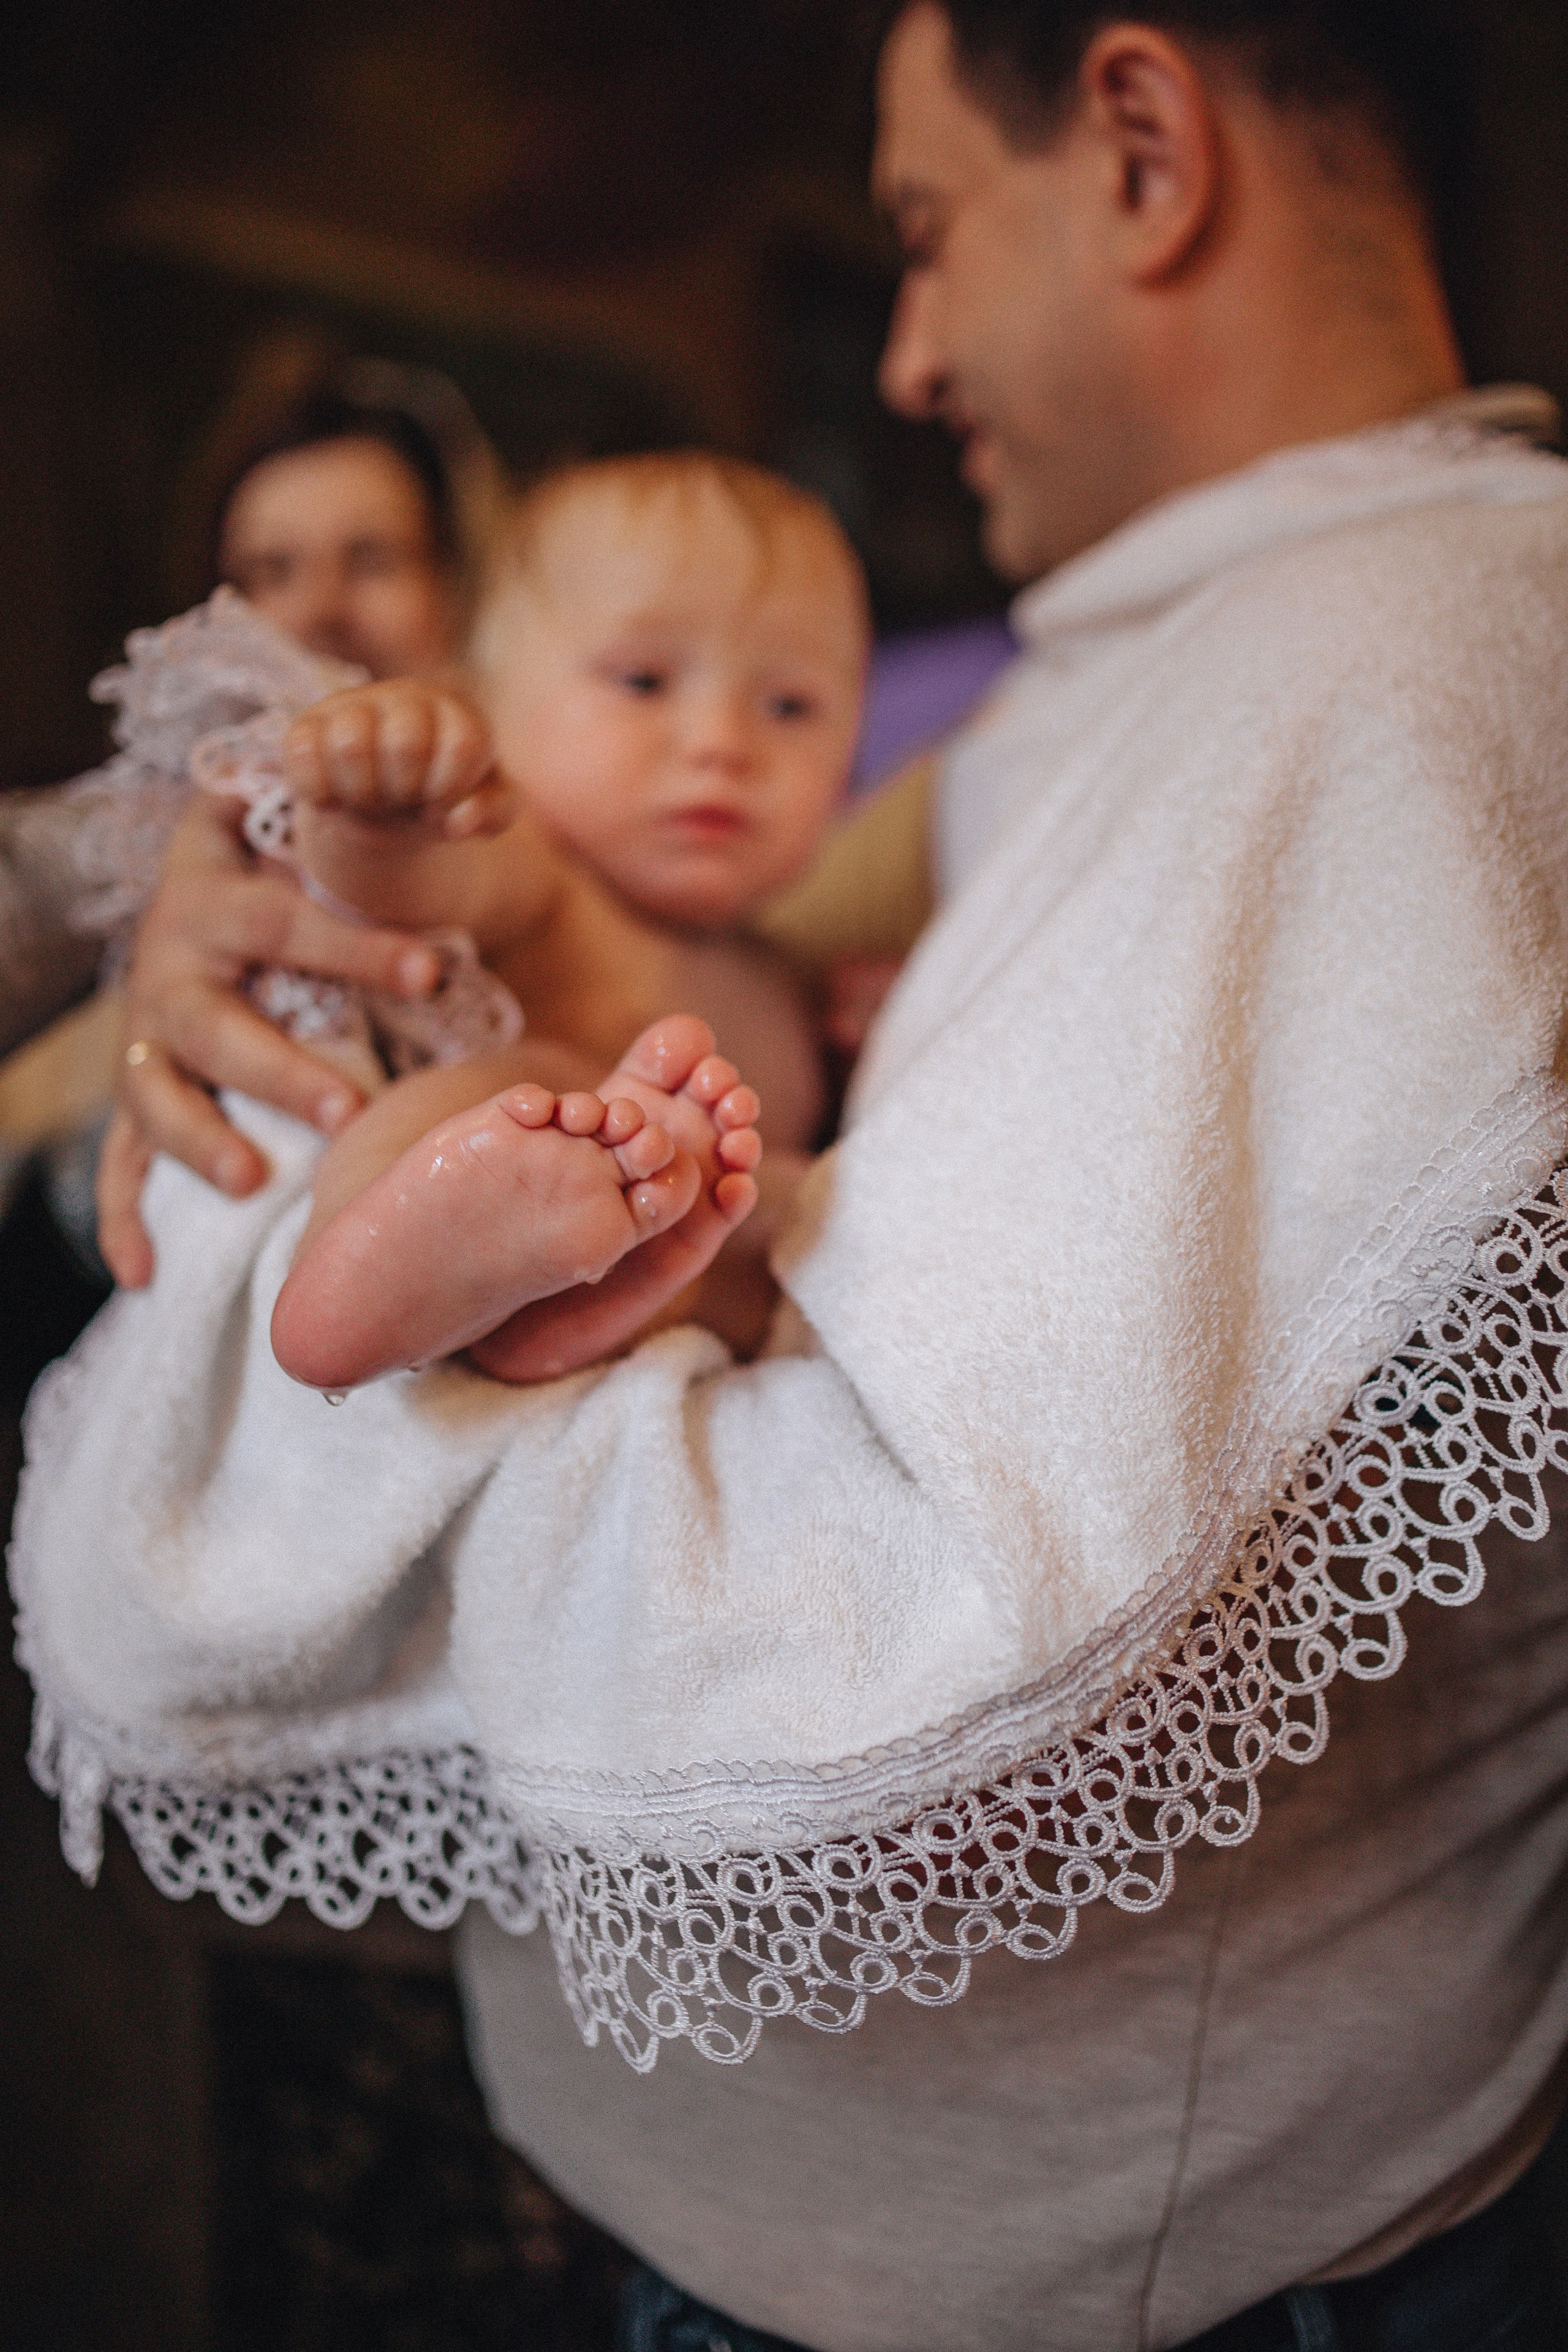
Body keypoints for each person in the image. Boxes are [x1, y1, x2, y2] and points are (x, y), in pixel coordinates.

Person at [14, 12, 1568, 2352]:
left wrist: (308, 1395)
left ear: (1145, 149)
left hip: (1118, 2297)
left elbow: (947, 1621)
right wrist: (328, 939)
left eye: (929, 228)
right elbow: (689, 924)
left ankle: (425, 1281)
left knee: (678, 1199)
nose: (913, 351)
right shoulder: (1122, 675)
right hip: (785, 2235)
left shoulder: (1389, 656)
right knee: (637, 1139)